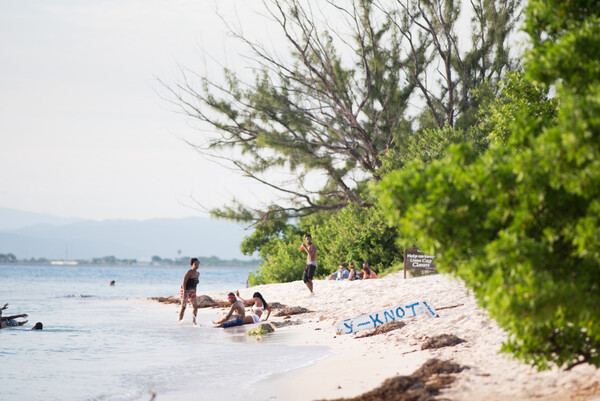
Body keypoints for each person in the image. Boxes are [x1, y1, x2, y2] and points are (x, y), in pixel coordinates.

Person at [179, 257, 200, 325]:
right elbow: (184, 282)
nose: (197, 265)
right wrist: (184, 292)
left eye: (198, 264)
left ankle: (194, 321)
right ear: (192, 264)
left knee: (195, 306)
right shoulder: (189, 272)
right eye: (195, 264)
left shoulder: (197, 273)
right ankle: (180, 321)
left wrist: (195, 291)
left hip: (192, 291)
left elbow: (195, 283)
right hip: (185, 291)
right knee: (183, 307)